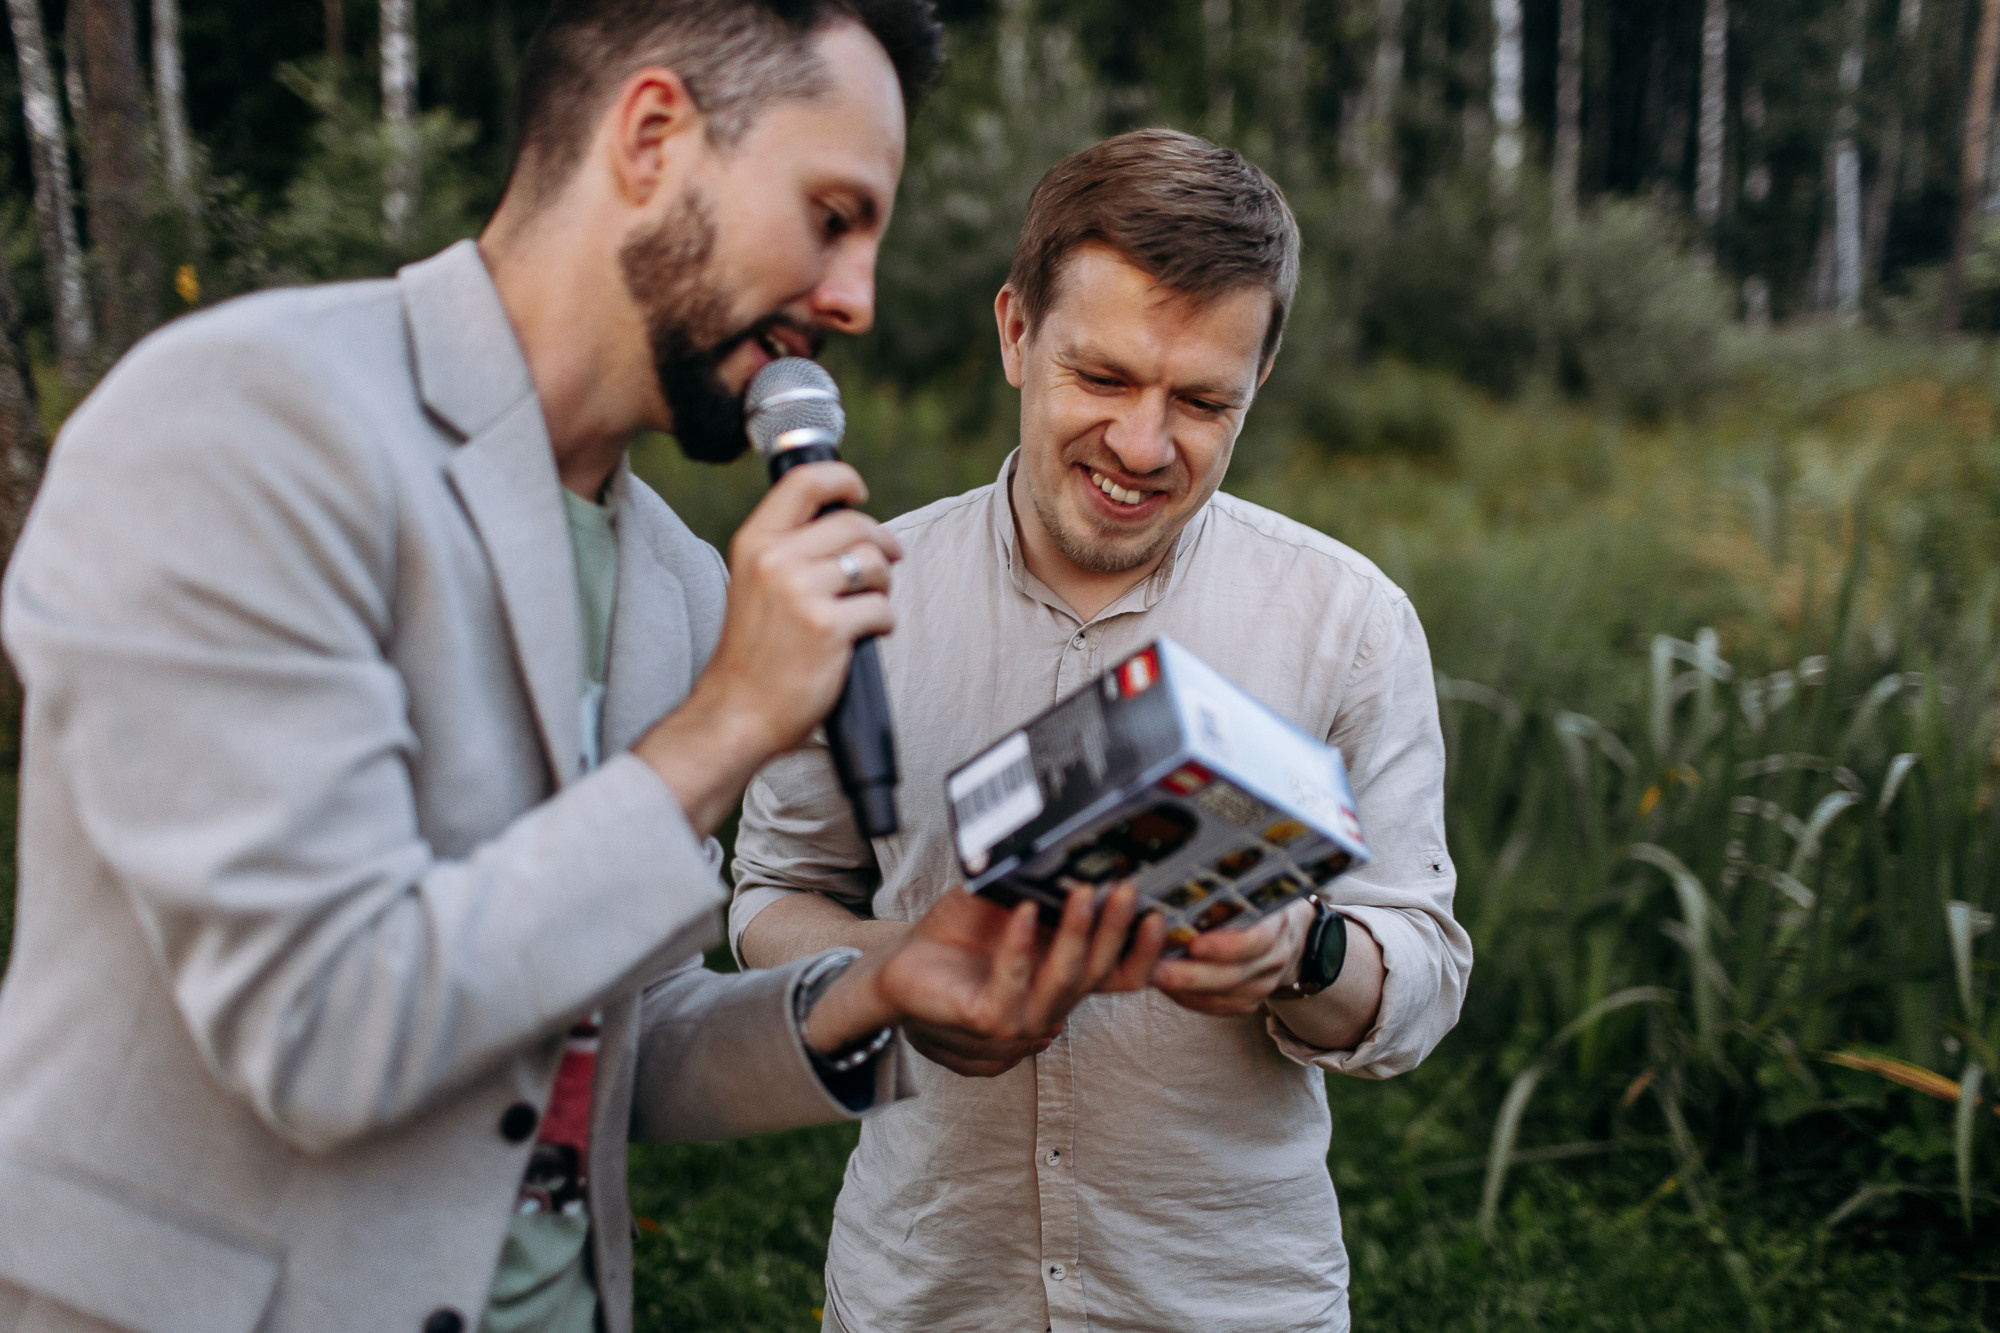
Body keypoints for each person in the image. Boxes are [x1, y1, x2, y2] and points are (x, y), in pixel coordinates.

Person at [0, 4, 1159, 1332]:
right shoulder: (245, 424)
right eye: (832, 215)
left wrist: (875, 986)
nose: (857, 298)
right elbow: (320, 1030)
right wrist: (725, 725)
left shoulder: (665, 574)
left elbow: (593, 1034)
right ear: (655, 135)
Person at [733, 129, 1475, 1333]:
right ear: (1015, 331)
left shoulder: (1346, 620)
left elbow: (1422, 977)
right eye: (1104, 378)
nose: (1141, 446)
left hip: (1232, 1301)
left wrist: (1303, 951)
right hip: (925, 1293)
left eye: (1199, 400)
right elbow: (769, 894)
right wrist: (900, 972)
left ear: (1261, 376)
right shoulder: (863, 592)